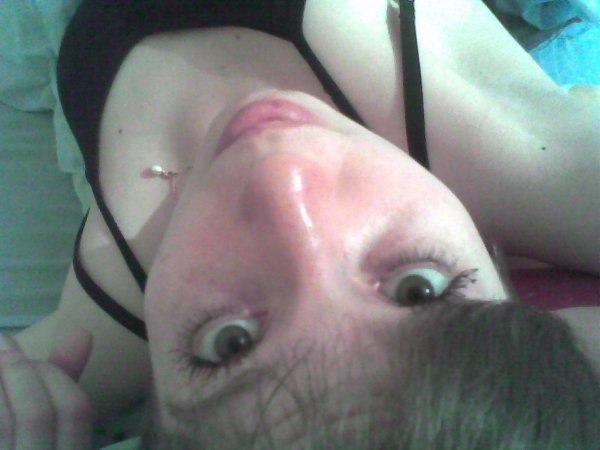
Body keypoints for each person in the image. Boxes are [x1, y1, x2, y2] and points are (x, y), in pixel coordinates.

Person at [4, 0, 599, 448]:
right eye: (418, 287)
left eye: (230, 342)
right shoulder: (538, 161)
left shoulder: (96, 339)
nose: (282, 184)